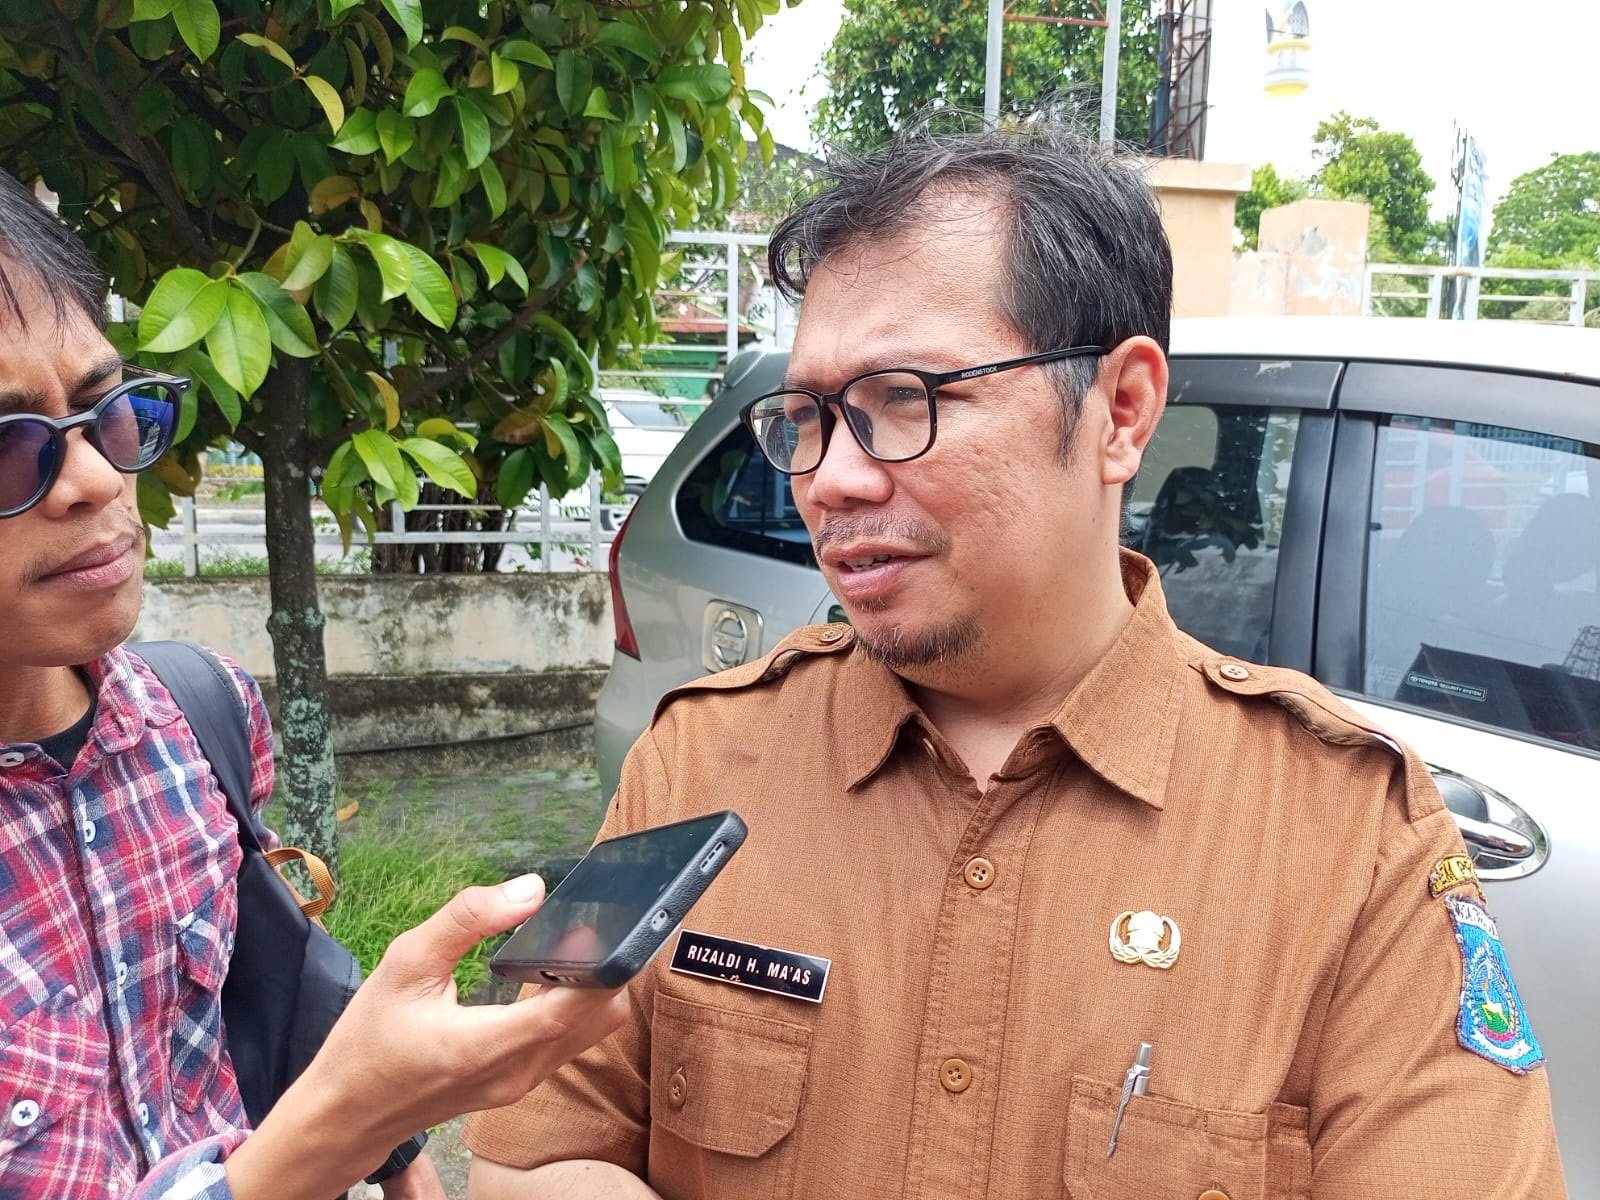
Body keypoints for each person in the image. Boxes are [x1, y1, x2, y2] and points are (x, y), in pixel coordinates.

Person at [464, 119, 1567, 1198]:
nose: (830, 478)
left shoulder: (1348, 838)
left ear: (1120, 412)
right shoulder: (702, 762)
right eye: (806, 416)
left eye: (904, 399)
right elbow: (535, 1152)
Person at [0, 170, 628, 1199]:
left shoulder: (195, 714)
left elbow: (270, 989)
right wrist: (347, 1119)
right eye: (6, 449)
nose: (99, 480)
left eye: (105, 414)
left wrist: (399, 1155)